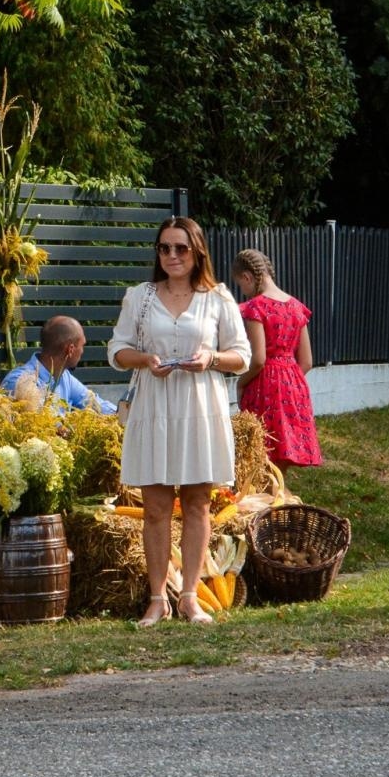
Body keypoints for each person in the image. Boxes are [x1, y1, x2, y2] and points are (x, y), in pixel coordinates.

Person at [108, 217, 250, 625]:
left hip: (200, 404)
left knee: (197, 503)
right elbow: (117, 350)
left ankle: (189, 596)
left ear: (197, 251)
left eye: (181, 248)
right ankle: (157, 598)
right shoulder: (140, 297)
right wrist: (144, 359)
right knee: (154, 506)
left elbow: (241, 355)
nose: (172, 255)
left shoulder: (218, 298)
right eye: (164, 248)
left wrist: (211, 359)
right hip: (153, 405)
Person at [230, 248, 321, 469]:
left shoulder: (256, 307)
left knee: (262, 458)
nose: (244, 292)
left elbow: (259, 358)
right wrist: (289, 380)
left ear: (247, 277)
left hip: (265, 386)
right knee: (281, 462)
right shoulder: (297, 307)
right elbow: (307, 361)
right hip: (294, 385)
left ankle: (277, 501)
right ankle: (283, 500)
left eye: (241, 286)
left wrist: (241, 384)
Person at [1, 315, 117, 415]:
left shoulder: (64, 377)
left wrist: (123, 414)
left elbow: (95, 404)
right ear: (70, 349)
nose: (82, 351)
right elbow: (46, 423)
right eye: (82, 345)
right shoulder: (19, 381)